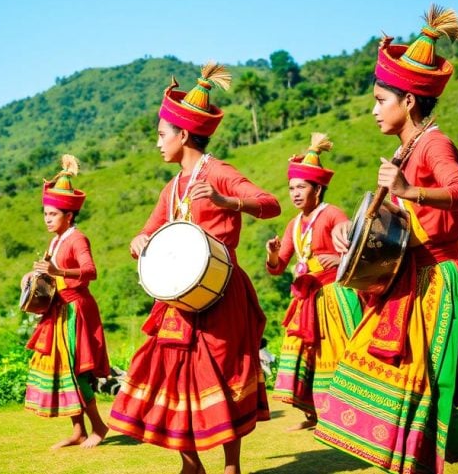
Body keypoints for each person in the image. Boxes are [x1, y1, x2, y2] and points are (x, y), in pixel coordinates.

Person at [314, 7, 458, 474]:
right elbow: (399, 222)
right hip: (413, 277)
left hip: (440, 279)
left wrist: (409, 190)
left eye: (379, 100)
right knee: (417, 387)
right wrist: (355, 232)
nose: (373, 110)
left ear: (408, 101)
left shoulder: (435, 144)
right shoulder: (404, 149)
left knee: (423, 387)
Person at [109, 63, 281, 474]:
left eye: (161, 135)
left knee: (220, 374)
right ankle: (190, 463)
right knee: (168, 372)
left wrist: (228, 203)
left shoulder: (220, 173)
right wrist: (139, 241)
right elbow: (148, 231)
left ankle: (231, 466)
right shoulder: (172, 187)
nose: (157, 144)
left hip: (222, 294)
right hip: (178, 301)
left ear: (183, 135)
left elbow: (270, 204)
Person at [265, 133, 362, 431]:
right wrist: (271, 253)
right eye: (292, 187)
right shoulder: (294, 224)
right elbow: (278, 267)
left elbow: (354, 242)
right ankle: (313, 414)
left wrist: (340, 260)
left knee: (336, 350)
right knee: (306, 352)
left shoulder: (333, 213)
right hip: (305, 298)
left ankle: (347, 413)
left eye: (301, 187)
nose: (295, 193)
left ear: (317, 189)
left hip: (334, 294)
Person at [24, 154, 110, 449]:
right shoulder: (56, 240)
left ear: (69, 216)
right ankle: (79, 431)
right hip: (59, 311)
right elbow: (51, 273)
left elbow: (91, 272)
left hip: (77, 311)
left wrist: (58, 271)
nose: (47, 219)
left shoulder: (77, 239)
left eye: (53, 215)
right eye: (45, 214)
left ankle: (99, 427)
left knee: (77, 371)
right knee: (62, 370)